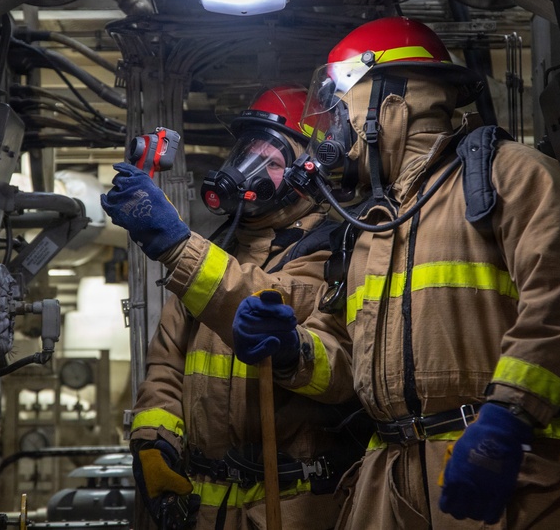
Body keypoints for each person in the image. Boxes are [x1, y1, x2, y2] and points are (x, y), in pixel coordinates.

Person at [230, 18, 560, 529]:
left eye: (342, 108)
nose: (334, 132)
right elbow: (352, 362)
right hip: (389, 478)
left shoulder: (509, 174)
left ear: (392, 104)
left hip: (498, 469)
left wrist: (507, 419)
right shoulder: (370, 224)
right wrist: (293, 351)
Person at [100, 85, 366, 530]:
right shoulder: (221, 249)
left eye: (272, 162)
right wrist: (154, 443)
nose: (248, 171)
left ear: (309, 173)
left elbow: (266, 299)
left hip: (294, 511)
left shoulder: (337, 252)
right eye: (247, 153)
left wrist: (179, 247)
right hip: (203, 513)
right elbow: (167, 364)